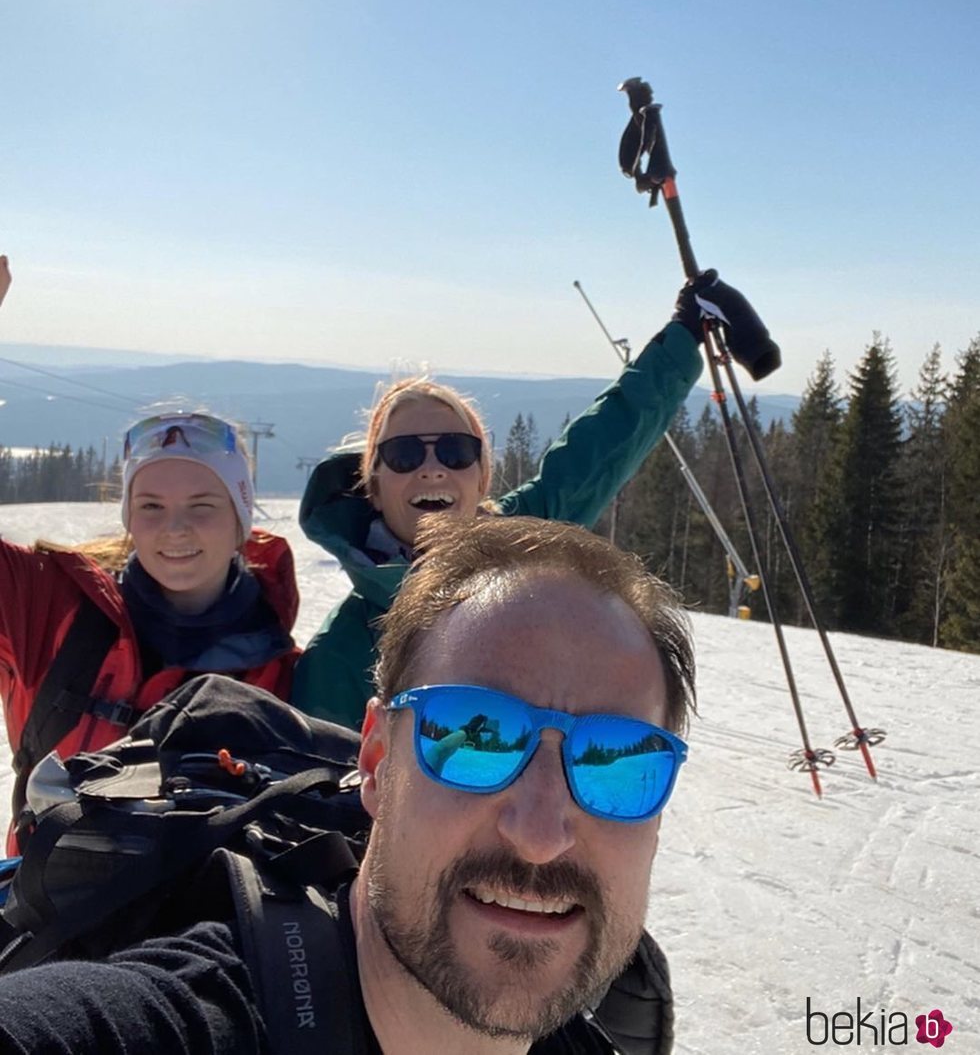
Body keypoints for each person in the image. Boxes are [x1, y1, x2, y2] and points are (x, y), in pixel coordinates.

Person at [0, 515, 696, 1055]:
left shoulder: (606, 1026)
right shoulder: (182, 1021)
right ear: (373, 762)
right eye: (474, 734)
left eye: (617, 760)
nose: (542, 835)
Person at [292, 271, 757, 730]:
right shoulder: (340, 655)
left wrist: (684, 335)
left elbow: (601, 446)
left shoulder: (524, 542)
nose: (432, 469)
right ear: (373, 485)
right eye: (404, 454)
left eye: (455, 452)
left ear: (481, 478)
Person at [0, 257, 300, 849]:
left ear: (241, 519)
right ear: (128, 515)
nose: (174, 530)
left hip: (202, 930)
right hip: (48, 915)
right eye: (152, 507)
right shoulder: (50, 605)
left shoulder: (282, 671)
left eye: (203, 506)